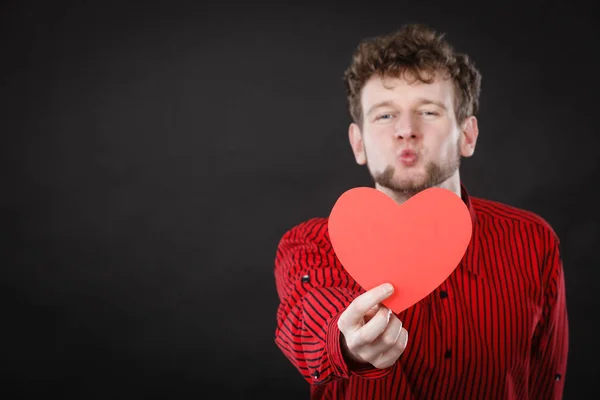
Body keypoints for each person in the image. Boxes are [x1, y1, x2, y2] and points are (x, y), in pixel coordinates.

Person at [272, 23, 569, 399]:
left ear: (468, 135)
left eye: (428, 112)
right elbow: (308, 319)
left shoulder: (533, 240)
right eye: (384, 115)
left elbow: (545, 379)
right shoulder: (312, 243)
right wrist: (349, 345)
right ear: (358, 143)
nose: (406, 130)